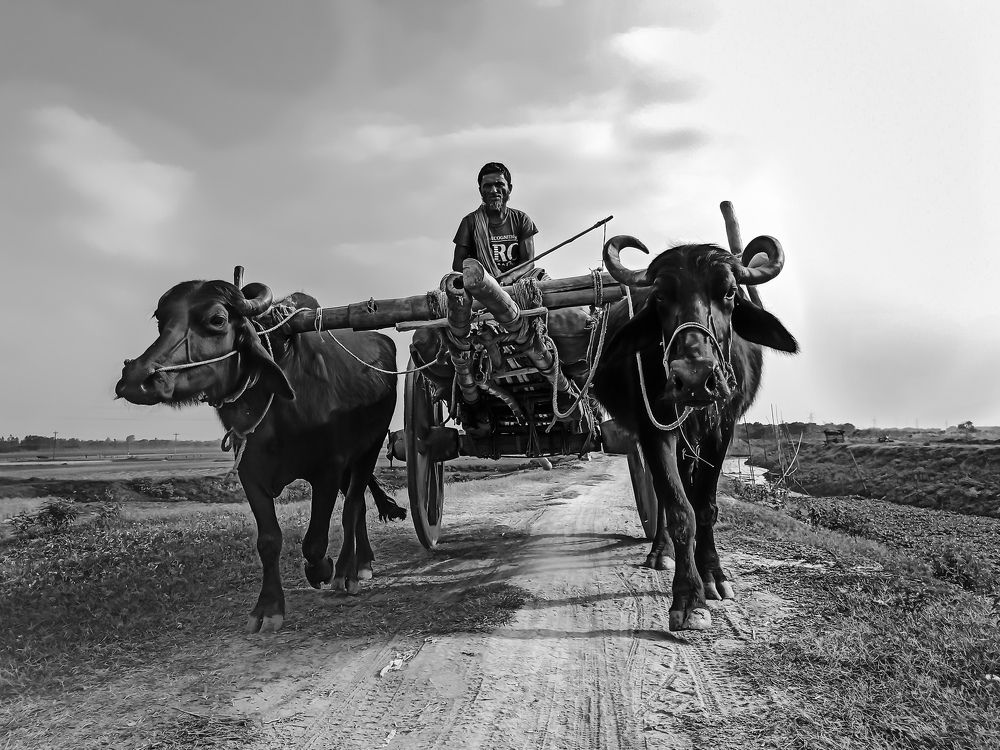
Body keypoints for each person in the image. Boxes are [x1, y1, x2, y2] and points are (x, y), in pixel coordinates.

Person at [452, 162, 545, 282]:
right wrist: (485, 277)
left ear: (509, 188)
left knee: (544, 279)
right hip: (483, 283)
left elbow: (528, 262)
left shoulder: (522, 219)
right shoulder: (470, 222)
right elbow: (458, 264)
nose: (493, 190)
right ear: (481, 190)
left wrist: (509, 277)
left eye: (499, 184)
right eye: (487, 186)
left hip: (518, 280)